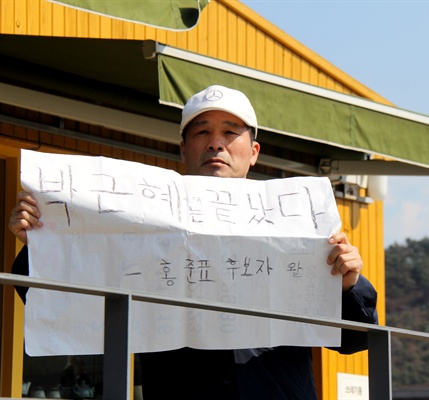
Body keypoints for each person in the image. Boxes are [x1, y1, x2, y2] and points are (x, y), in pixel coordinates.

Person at [9, 84, 378, 399]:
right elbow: (66, 304)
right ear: (183, 149)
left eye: (231, 132)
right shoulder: (139, 217)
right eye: (201, 132)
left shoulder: (298, 223)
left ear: (253, 153)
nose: (216, 142)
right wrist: (42, 243)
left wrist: (349, 284)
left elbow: (354, 341)